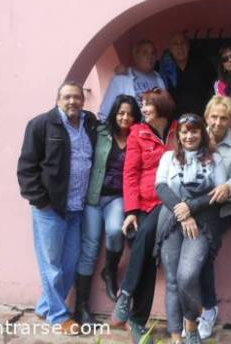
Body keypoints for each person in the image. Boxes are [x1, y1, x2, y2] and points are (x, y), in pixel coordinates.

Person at [17, 81, 97, 334]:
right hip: (51, 209)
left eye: (76, 97)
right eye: (67, 97)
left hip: (77, 208)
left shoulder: (90, 123)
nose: (72, 101)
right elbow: (26, 168)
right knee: (52, 265)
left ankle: (45, 307)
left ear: (83, 100)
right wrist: (41, 200)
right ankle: (60, 317)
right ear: (58, 99)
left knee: (70, 263)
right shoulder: (41, 124)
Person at [110, 88, 177, 344]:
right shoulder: (138, 132)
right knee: (148, 255)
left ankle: (126, 294)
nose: (144, 109)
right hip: (144, 203)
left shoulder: (178, 130)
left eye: (148, 104)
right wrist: (130, 211)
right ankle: (137, 320)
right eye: (144, 105)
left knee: (147, 237)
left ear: (160, 106)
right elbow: (130, 173)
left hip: (170, 200)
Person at [155, 113, 227, 344]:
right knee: (173, 280)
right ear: (178, 135)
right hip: (171, 221)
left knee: (187, 276)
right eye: (184, 132)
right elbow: (161, 186)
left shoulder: (215, 159)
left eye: (194, 131)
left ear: (202, 133)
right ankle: (177, 335)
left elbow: (218, 195)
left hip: (204, 223)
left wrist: (191, 207)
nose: (189, 136)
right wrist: (182, 211)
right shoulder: (168, 158)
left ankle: (190, 322)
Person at [74, 95, 142, 326]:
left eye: (130, 113)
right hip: (94, 197)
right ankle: (81, 306)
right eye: (121, 112)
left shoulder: (138, 136)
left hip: (118, 197)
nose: (125, 117)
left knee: (115, 231)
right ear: (114, 113)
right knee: (90, 247)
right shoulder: (100, 132)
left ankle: (110, 271)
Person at [197, 95, 231, 339]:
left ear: (230, 121)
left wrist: (229, 187)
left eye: (224, 118)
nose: (217, 122)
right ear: (207, 116)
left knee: (205, 253)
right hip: (192, 206)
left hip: (220, 209)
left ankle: (209, 307)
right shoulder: (194, 134)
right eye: (214, 117)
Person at [99, 39, 165, 119]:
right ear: (136, 56)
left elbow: (165, 108)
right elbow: (104, 113)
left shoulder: (159, 78)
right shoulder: (121, 79)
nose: (150, 56)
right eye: (145, 52)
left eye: (153, 53)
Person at [159, 32, 215, 116]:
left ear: (188, 46)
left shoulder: (203, 65)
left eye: (183, 43)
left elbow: (215, 88)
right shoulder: (165, 70)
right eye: (175, 44)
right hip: (176, 119)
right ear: (170, 49)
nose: (180, 47)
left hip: (202, 116)